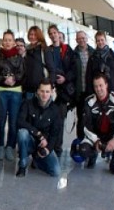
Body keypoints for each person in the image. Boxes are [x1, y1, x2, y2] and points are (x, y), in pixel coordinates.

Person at [80, 73, 114, 175]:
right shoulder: (89, 101)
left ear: (106, 85)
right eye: (96, 86)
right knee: (83, 150)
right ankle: (93, 154)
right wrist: (96, 141)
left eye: (101, 85)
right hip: (96, 135)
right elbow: (85, 125)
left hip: (111, 134)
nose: (98, 89)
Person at [16, 79, 62, 177]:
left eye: (47, 91)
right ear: (37, 91)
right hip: (30, 140)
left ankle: (37, 161)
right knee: (22, 133)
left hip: (44, 144)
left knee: (56, 171)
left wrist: (48, 149)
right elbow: (20, 121)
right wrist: (38, 134)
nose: (44, 94)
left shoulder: (55, 110)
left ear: (51, 92)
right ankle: (22, 165)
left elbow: (55, 134)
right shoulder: (27, 103)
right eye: (42, 91)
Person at [0, 30, 25, 162]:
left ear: (13, 42)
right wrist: (3, 79)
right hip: (1, 90)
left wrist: (14, 79)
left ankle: (10, 146)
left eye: (10, 40)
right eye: (5, 40)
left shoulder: (19, 57)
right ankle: (0, 145)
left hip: (16, 91)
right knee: (0, 120)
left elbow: (22, 73)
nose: (7, 42)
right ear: (2, 41)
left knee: (13, 121)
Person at [47, 24, 77, 153]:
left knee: (59, 120)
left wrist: (65, 79)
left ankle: (57, 147)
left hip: (63, 92)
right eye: (51, 33)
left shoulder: (67, 49)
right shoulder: (47, 50)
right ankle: (48, 145)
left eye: (55, 32)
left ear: (58, 33)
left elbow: (73, 68)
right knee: (48, 120)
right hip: (50, 89)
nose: (53, 35)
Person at [85, 31, 114, 96]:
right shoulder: (92, 58)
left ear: (105, 40)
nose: (100, 42)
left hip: (112, 92)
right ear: (96, 42)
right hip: (97, 93)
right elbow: (88, 77)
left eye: (102, 40)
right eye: (98, 40)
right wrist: (90, 94)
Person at [23, 26, 56, 99]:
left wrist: (49, 86)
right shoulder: (27, 51)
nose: (32, 37)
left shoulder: (44, 49)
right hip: (29, 90)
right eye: (31, 34)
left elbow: (52, 70)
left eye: (35, 35)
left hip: (42, 90)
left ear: (39, 36)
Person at [73, 31, 94, 139]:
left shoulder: (93, 52)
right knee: (80, 118)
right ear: (76, 40)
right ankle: (80, 141)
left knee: (91, 118)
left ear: (87, 38)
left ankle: (91, 142)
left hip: (91, 92)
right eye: (79, 38)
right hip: (79, 92)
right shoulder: (73, 54)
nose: (81, 40)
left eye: (83, 38)